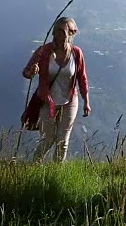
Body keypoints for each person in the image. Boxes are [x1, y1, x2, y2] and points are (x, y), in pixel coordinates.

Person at [22, 17, 91, 163]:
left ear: (71, 34)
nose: (60, 36)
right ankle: (35, 165)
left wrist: (86, 102)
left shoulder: (76, 53)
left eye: (64, 32)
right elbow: (26, 72)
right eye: (57, 32)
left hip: (69, 101)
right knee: (48, 139)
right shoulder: (44, 51)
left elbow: (82, 78)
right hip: (47, 101)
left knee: (62, 141)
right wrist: (32, 71)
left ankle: (55, 172)